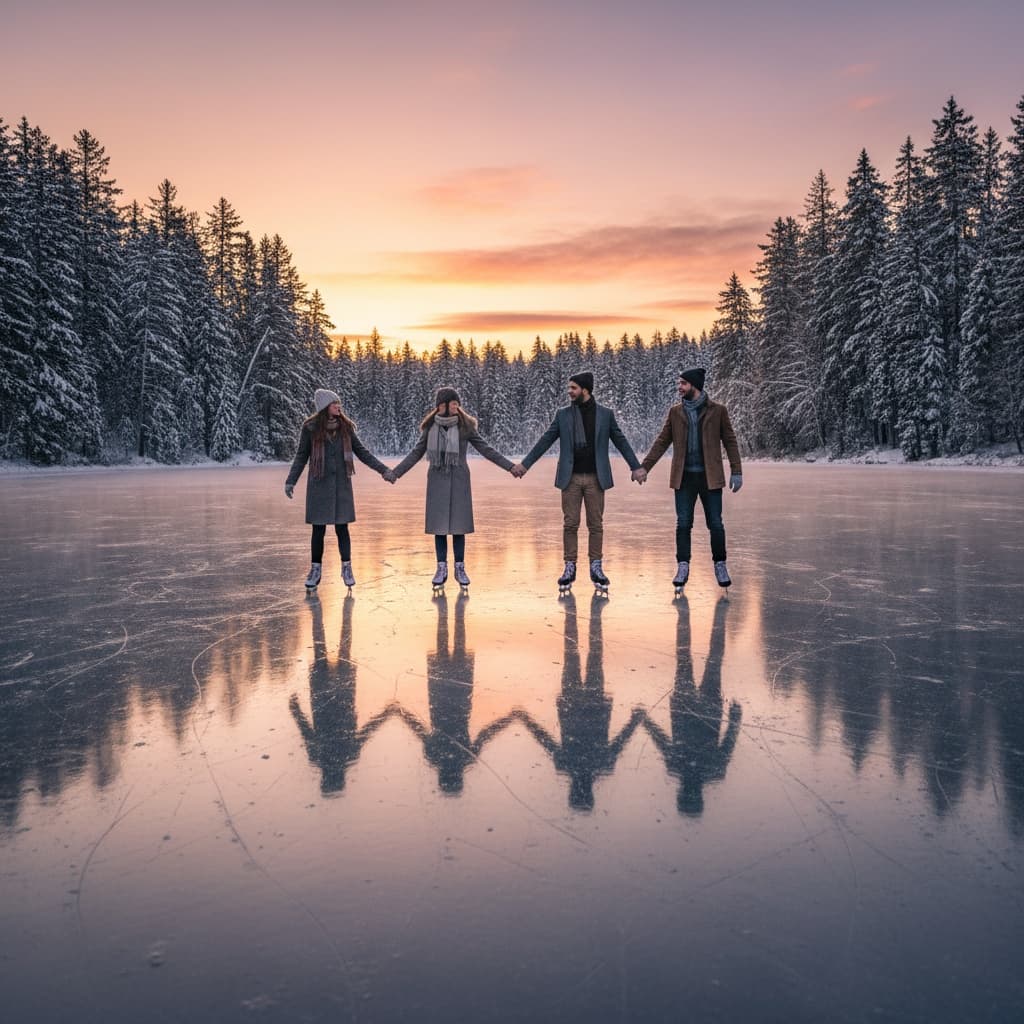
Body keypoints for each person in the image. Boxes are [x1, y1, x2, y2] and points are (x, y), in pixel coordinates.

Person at [512, 371, 644, 592]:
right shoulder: (563, 415)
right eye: (569, 388)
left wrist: (636, 466)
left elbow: (620, 440)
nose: (569, 392)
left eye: (573, 388)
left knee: (596, 525)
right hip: (570, 478)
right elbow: (546, 440)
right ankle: (569, 566)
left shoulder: (605, 414)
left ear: (585, 389)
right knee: (570, 524)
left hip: (596, 477)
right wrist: (525, 464)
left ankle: (596, 566)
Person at [392, 387, 515, 588]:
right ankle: (441, 567)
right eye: (451, 404)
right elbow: (416, 453)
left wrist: (510, 466)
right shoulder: (430, 428)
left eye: (457, 404)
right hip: (437, 480)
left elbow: (486, 449)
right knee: (439, 528)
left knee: (459, 527)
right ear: (441, 406)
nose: (455, 407)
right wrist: (396, 472)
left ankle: (460, 567)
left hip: (459, 480)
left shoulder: (466, 427)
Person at [639, 366, 742, 588]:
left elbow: (730, 440)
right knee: (683, 523)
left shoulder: (718, 411)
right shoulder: (676, 412)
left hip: (710, 478)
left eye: (683, 384)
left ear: (694, 385)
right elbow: (662, 441)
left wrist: (736, 470)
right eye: (679, 383)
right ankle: (683, 565)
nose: (679, 387)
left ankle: (720, 564)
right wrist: (645, 467)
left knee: (715, 523)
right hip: (684, 479)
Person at [285, 388, 391, 590]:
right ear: (325, 407)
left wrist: (383, 470)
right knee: (318, 530)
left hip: (341, 486)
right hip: (319, 486)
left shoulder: (346, 428)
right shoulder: (310, 428)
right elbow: (301, 456)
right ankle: (315, 570)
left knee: (343, 528)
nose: (338, 407)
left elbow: (362, 453)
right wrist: (291, 480)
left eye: (339, 403)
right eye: (335, 404)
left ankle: (347, 567)